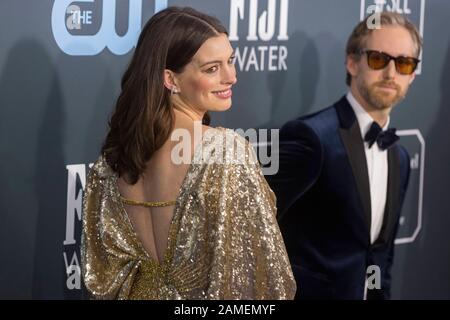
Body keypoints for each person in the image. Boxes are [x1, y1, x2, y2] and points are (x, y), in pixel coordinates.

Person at [81, 6, 296, 300]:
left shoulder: (112, 163)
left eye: (230, 61)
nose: (231, 77)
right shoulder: (225, 151)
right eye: (212, 68)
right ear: (171, 79)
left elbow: (101, 275)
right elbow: (260, 282)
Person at [267, 12, 421, 300]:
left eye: (403, 63)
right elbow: (255, 230)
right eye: (378, 59)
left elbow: (380, 257)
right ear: (352, 62)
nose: (390, 74)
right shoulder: (311, 138)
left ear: (412, 75)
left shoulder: (399, 157)